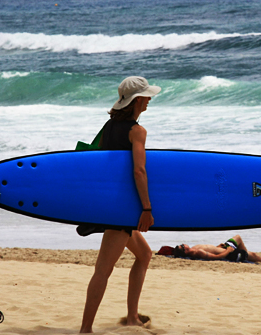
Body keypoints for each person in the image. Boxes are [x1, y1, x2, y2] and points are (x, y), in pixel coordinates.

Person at [80, 76, 161, 334]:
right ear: (137, 100)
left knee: (144, 255)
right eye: (146, 96)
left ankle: (132, 317)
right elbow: (139, 171)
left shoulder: (108, 126)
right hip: (121, 211)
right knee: (103, 270)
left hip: (112, 205)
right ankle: (85, 329)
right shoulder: (137, 131)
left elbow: (101, 166)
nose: (149, 100)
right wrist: (146, 209)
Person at [173, 234, 261, 264]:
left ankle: (246, 254)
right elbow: (215, 257)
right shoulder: (197, 252)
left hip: (224, 248)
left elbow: (211, 250)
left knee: (240, 241)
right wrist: (228, 251)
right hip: (229, 253)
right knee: (252, 254)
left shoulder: (194, 248)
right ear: (185, 250)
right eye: (182, 246)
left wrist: (217, 247)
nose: (184, 244)